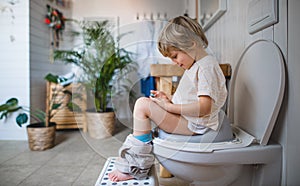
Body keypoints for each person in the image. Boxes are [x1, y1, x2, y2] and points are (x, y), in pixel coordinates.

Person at [108, 15, 233, 182]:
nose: (174, 62)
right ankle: (135, 160)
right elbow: (192, 99)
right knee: (145, 105)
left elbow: (205, 107)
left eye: (175, 56)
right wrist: (169, 100)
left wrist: (170, 108)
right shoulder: (198, 65)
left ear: (191, 44)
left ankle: (135, 167)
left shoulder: (205, 68)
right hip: (191, 121)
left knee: (142, 105)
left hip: (194, 125)